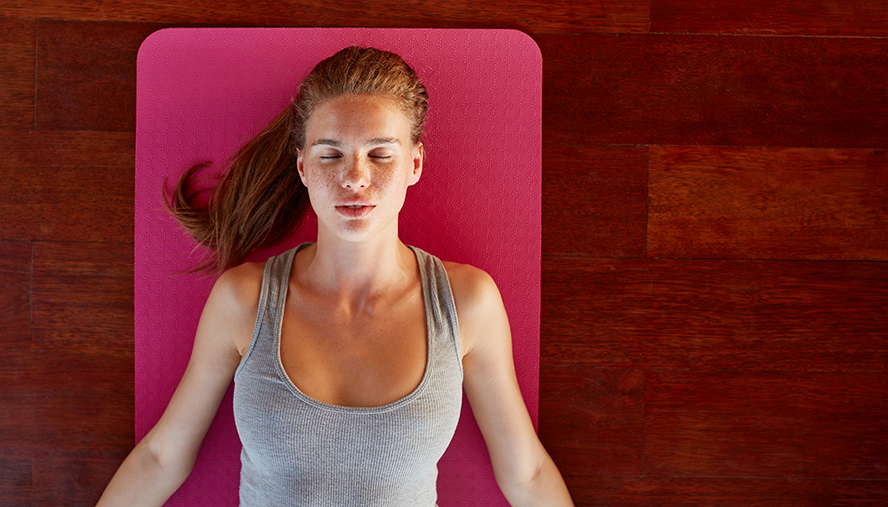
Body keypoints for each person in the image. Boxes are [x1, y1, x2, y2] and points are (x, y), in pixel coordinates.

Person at [97, 46, 573, 507]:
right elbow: (162, 458)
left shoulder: (467, 303)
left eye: (380, 155)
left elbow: (526, 474)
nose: (354, 178)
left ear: (415, 164)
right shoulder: (244, 299)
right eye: (331, 155)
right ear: (303, 166)